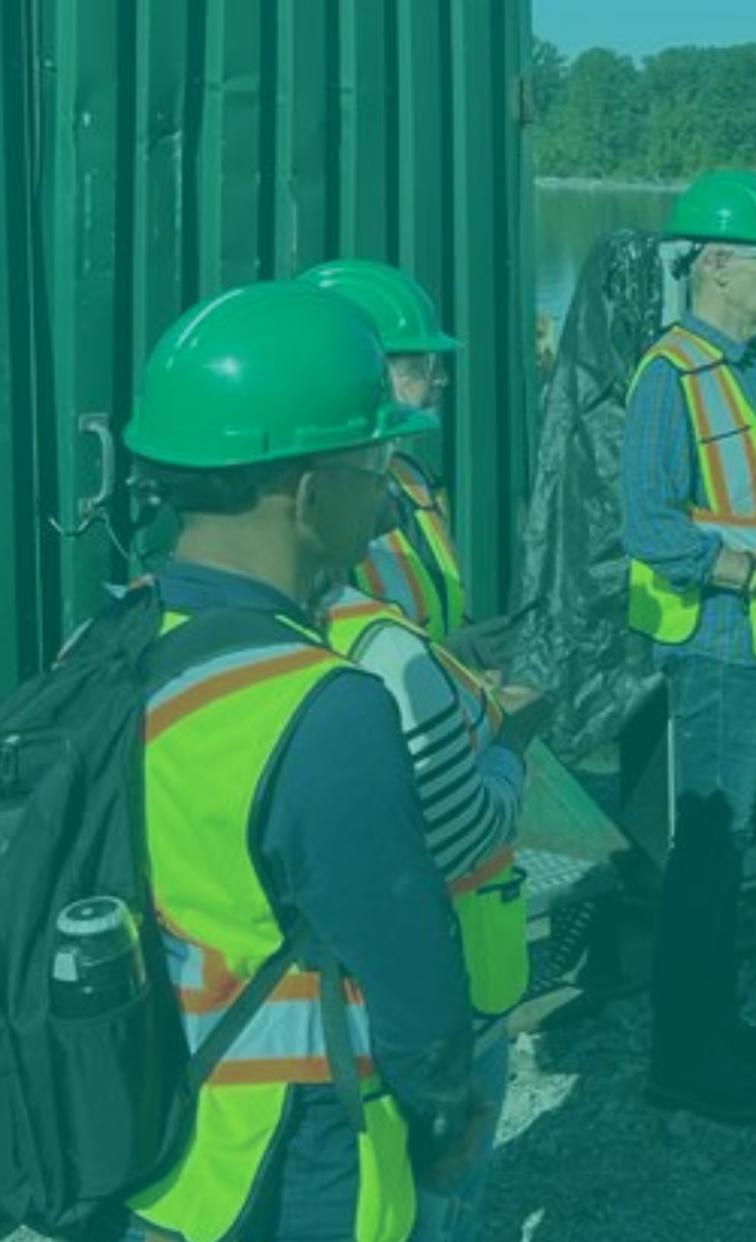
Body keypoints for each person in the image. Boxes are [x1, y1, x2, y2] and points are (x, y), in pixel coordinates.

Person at [117, 283, 481, 1241]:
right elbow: (412, 984)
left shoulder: (112, 645)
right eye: (377, 457)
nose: (388, 481)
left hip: (135, 1145)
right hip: (289, 1166)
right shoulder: (326, 709)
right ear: (313, 489)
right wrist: (448, 1115)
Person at [622, 169, 756, 1123]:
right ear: (713, 265)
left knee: (732, 845)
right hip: (718, 648)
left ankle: (719, 1030)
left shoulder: (746, 370)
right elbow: (652, 525)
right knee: (707, 855)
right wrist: (743, 571)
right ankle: (686, 1057)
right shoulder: (672, 377)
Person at [321, 581, 546, 1242]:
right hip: (443, 981)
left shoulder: (160, 622)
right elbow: (460, 831)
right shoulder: (382, 648)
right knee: (437, 1191)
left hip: (294, 1018)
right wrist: (513, 747)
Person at [296, 260, 503, 667]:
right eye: (421, 367)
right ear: (365, 369)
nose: (438, 381)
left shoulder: (414, 481)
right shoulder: (309, 506)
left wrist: (460, 655)